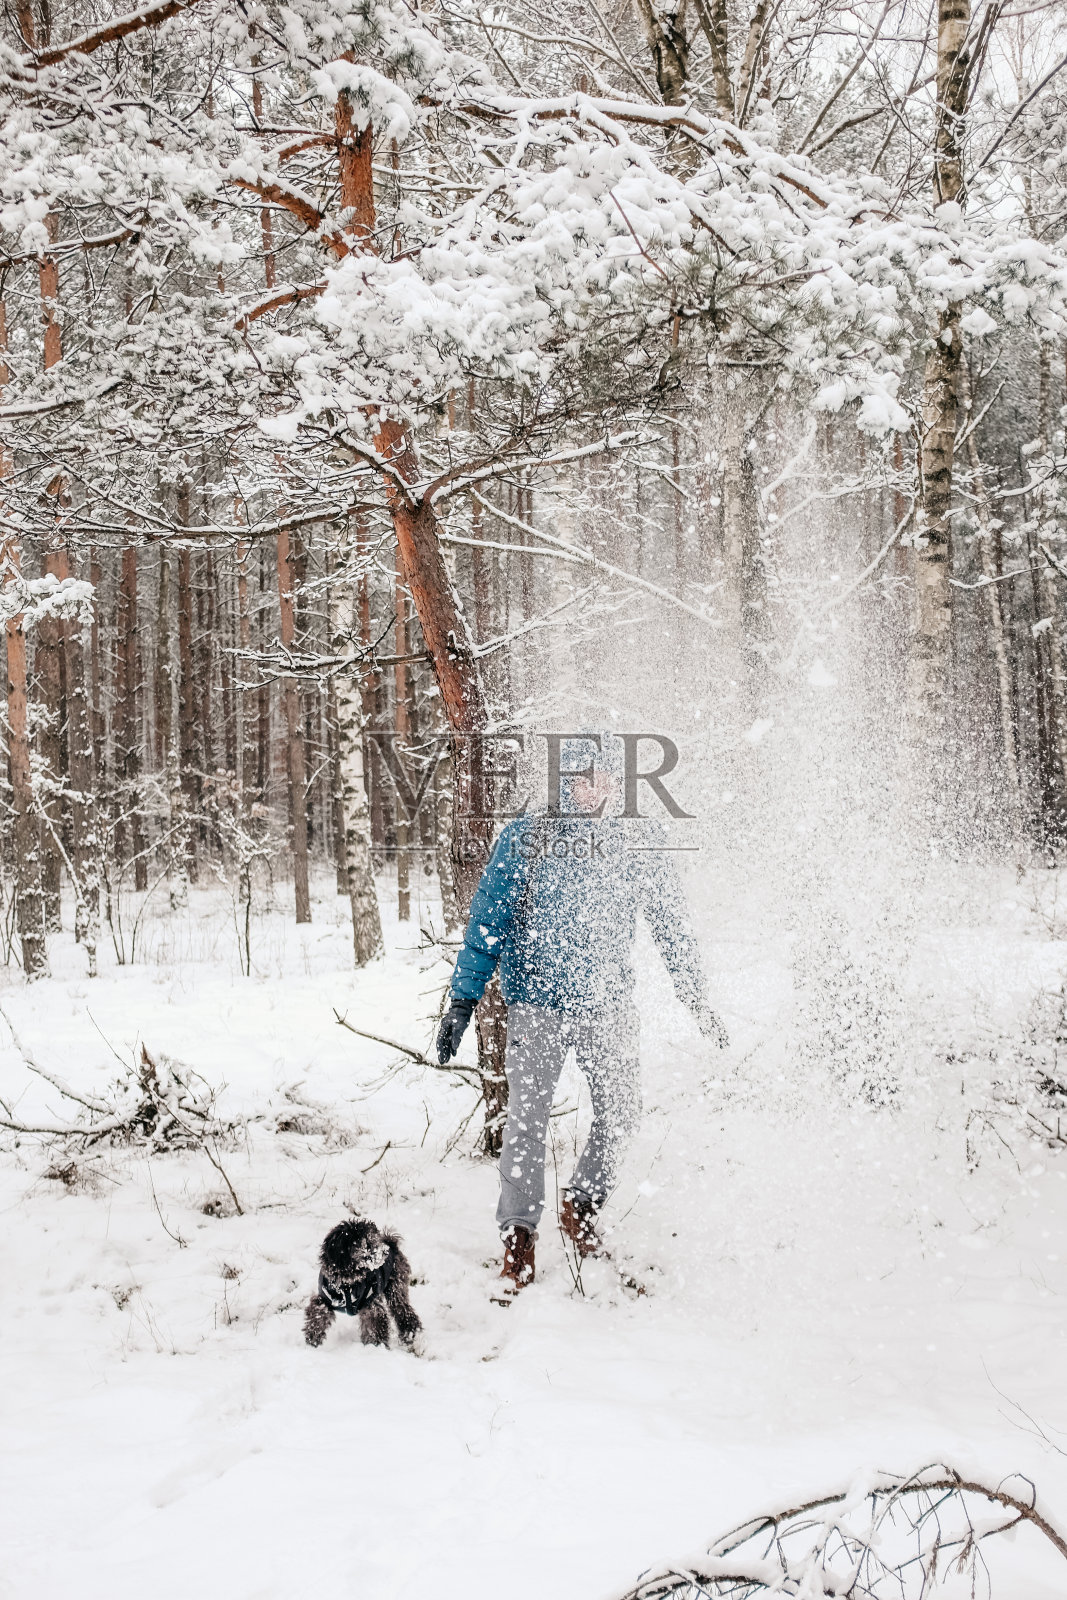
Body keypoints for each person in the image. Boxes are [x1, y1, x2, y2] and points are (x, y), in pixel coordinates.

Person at [436, 734, 728, 1292]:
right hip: (537, 1004)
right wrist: (464, 999)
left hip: (607, 1004)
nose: (595, 790)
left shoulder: (637, 838)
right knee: (526, 1123)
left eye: (606, 779)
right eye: (583, 779)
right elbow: (487, 921)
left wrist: (695, 995)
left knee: (622, 1110)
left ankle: (582, 1203)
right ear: (564, 783)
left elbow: (670, 920)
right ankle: (518, 1238)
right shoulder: (527, 838)